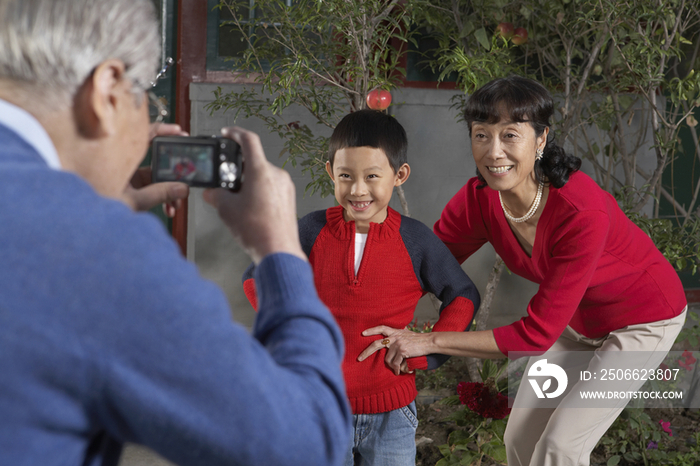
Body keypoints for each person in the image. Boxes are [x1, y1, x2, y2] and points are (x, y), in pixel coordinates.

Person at [0, 0, 351, 465]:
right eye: (147, 98)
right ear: (107, 90)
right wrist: (279, 248)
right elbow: (308, 441)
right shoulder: (98, 250)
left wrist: (96, 197)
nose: (150, 122)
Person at [358, 76, 688, 466]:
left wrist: (428, 341)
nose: (494, 151)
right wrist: (357, 309)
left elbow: (535, 334)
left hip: (641, 321)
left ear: (541, 139)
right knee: (520, 441)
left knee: (560, 448)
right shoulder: (479, 199)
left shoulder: (581, 213)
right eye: (481, 135)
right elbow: (423, 267)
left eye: (510, 135)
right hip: (575, 321)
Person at [242, 109, 481, 466]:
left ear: (399, 175)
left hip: (392, 412)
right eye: (345, 176)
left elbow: (462, 295)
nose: (357, 189)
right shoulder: (310, 230)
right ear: (330, 173)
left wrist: (428, 349)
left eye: (372, 176)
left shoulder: (415, 240)